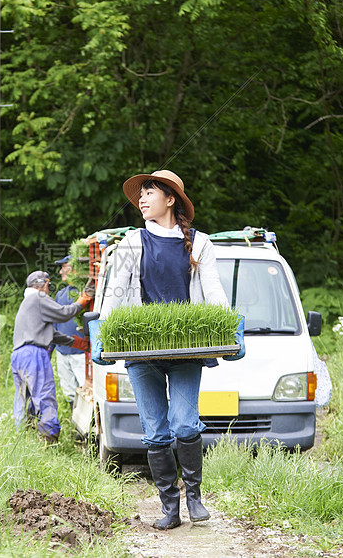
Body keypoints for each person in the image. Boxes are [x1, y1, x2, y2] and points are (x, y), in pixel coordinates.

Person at [88, 169, 245, 530]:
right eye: (139, 194)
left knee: (185, 424)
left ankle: (195, 497)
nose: (141, 200)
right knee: (156, 431)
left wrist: (231, 326)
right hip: (143, 355)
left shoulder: (200, 244)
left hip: (187, 352)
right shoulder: (130, 243)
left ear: (170, 199)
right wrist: (103, 334)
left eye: (149, 192)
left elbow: (215, 291)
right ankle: (169, 508)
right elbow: (113, 295)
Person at [11, 270, 92, 443]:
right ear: (45, 284)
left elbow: (49, 333)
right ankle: (49, 440)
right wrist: (82, 301)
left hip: (19, 355)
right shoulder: (39, 298)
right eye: (48, 285)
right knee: (44, 394)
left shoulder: (27, 303)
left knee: (24, 399)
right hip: (33, 353)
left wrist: (73, 342)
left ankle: (23, 440)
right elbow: (64, 313)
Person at [52, 256, 87, 404]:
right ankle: (74, 422)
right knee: (69, 391)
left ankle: (89, 425)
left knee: (85, 392)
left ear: (74, 269)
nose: (60, 272)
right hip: (62, 352)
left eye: (63, 267)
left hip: (80, 354)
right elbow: (54, 322)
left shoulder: (84, 292)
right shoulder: (61, 294)